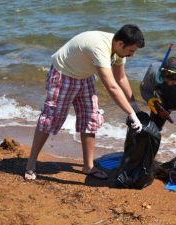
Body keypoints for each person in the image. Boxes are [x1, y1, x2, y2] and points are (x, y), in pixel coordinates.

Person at [25, 24, 145, 180]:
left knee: (91, 119)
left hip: (84, 76)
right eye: (131, 51)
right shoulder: (100, 48)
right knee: (50, 119)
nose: (132, 55)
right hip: (64, 73)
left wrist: (135, 108)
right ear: (121, 44)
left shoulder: (119, 50)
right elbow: (111, 86)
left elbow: (120, 78)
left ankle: (88, 167)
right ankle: (31, 163)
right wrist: (130, 113)